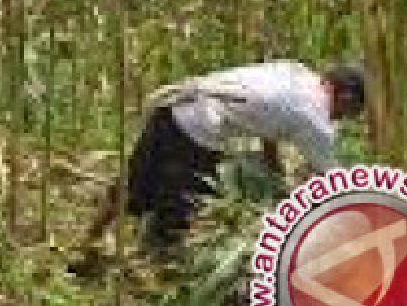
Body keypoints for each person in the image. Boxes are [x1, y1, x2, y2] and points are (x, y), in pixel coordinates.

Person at [72, 61, 366, 268]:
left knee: (133, 182)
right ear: (345, 97)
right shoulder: (313, 117)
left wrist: (275, 173)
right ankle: (156, 273)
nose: (342, 119)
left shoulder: (295, 73)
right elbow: (334, 181)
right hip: (197, 127)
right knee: (182, 208)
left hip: (174, 104)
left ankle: (87, 243)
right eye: (350, 112)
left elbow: (269, 122)